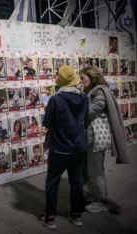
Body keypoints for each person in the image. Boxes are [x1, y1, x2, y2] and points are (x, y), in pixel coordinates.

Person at [38, 65, 89, 230]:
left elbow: (47, 123)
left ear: (60, 81)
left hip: (60, 146)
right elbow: (86, 119)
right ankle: (77, 215)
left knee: (53, 181)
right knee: (76, 181)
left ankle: (50, 218)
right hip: (79, 146)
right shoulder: (84, 98)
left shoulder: (55, 99)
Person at [80, 66, 128, 214]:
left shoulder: (100, 92)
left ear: (92, 77)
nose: (80, 81)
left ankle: (101, 201)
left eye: (83, 78)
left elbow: (88, 112)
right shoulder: (94, 91)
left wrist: (80, 95)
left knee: (96, 170)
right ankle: (94, 195)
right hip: (91, 137)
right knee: (89, 169)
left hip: (96, 138)